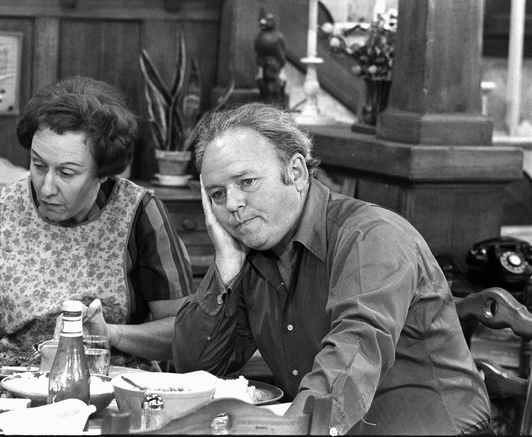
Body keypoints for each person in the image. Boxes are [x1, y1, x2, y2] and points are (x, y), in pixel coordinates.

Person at [172, 103, 492, 434]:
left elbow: (353, 354)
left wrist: (296, 428)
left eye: (247, 181)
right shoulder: (249, 250)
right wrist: (225, 268)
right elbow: (197, 368)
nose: (232, 205)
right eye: (217, 194)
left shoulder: (371, 237)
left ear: (295, 172)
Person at [0, 76, 193, 369]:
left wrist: (111, 334)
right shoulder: (3, 207)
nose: (46, 188)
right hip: (15, 385)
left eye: (66, 173)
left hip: (111, 386)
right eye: (38, 165)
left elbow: (182, 332)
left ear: (103, 172)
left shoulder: (140, 212)